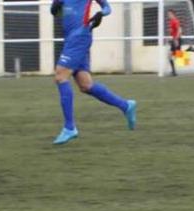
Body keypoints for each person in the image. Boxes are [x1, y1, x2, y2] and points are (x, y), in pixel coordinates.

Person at [50, 0, 136, 145]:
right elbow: (56, 13)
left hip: (80, 36)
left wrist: (101, 14)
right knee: (86, 85)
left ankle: (69, 128)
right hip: (70, 38)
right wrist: (55, 8)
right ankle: (126, 106)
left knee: (60, 76)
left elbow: (107, 7)